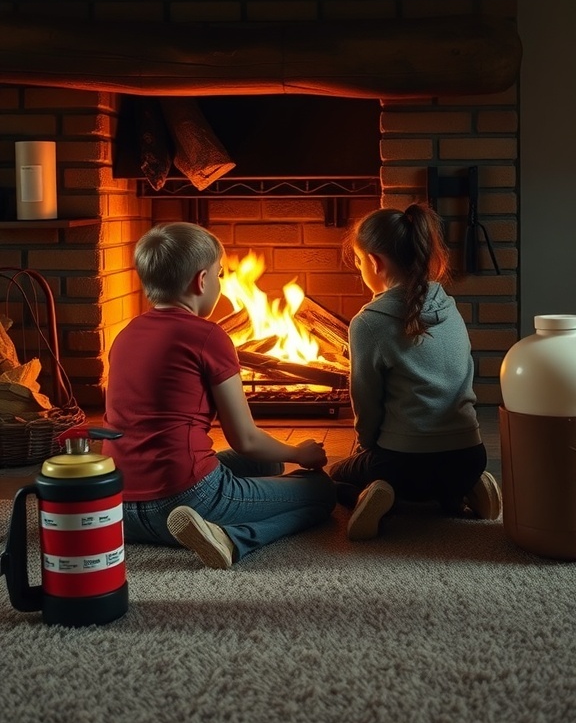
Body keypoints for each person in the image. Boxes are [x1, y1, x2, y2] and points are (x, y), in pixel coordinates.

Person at [102, 222, 336, 569]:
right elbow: (245, 439)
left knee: (267, 465)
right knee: (321, 493)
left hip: (119, 507)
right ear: (201, 280)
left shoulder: (124, 335)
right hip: (185, 499)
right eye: (220, 275)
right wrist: (299, 453)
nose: (222, 284)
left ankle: (221, 520)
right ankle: (234, 537)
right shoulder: (208, 336)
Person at [328, 203, 502, 541]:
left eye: (361, 261)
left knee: (334, 477)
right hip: (469, 455)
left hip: (402, 466)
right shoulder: (449, 305)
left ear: (375, 261)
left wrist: (367, 447)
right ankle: (466, 489)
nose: (362, 268)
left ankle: (378, 497)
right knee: (440, 472)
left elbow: (366, 400)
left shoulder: (369, 322)